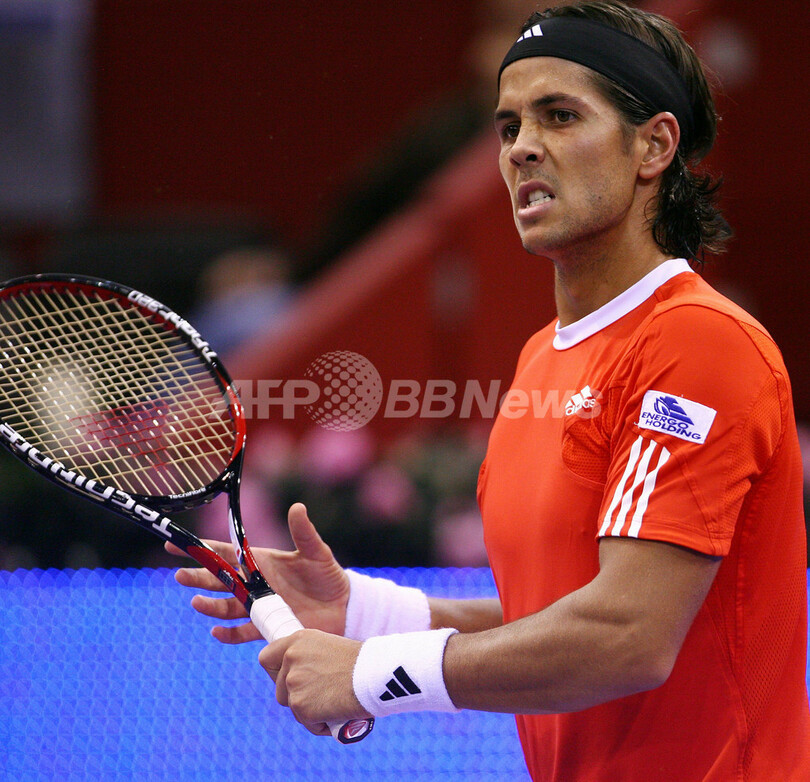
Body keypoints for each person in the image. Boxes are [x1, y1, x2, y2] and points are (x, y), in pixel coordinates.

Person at [169, 3, 810, 779]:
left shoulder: (699, 343)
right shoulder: (543, 358)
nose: (522, 148)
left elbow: (628, 635)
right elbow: (557, 612)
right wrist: (365, 614)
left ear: (654, 144)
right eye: (508, 126)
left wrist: (372, 676)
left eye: (560, 115)